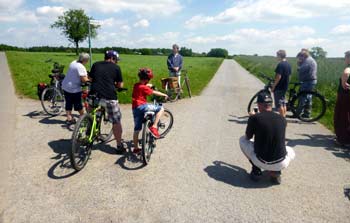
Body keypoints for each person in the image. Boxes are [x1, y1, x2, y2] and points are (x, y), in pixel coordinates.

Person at [239, 91, 295, 184]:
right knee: (290, 150)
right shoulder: (282, 119)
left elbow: (248, 137)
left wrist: (252, 118)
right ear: (271, 104)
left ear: (259, 105)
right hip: (281, 162)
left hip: (260, 160)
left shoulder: (255, 118)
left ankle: (256, 170)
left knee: (242, 140)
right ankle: (275, 173)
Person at [89, 50, 125, 154]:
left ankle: (87, 130)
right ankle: (119, 145)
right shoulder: (116, 68)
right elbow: (120, 85)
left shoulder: (95, 64)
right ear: (113, 58)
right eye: (116, 60)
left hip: (93, 96)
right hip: (109, 97)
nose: (117, 62)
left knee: (90, 115)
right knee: (116, 121)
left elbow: (90, 79)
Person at [132, 68, 168, 154]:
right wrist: (164, 94)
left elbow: (144, 87)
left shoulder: (136, 85)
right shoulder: (144, 87)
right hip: (143, 106)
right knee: (160, 108)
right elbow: (153, 92)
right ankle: (154, 126)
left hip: (135, 108)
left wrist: (147, 85)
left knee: (137, 129)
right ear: (147, 79)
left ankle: (136, 148)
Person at [61, 53, 90, 124]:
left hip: (65, 85)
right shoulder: (81, 67)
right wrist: (91, 80)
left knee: (68, 102)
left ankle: (69, 118)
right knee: (78, 104)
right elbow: (84, 79)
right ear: (85, 60)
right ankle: (83, 117)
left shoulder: (73, 62)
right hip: (73, 88)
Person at [334, 51, 350, 146]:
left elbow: (346, 73)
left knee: (342, 118)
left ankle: (343, 140)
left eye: (346, 57)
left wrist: (344, 83)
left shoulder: (348, 68)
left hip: (345, 96)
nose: (345, 59)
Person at [296, 49, 318, 118]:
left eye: (300, 57)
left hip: (308, 81)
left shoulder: (308, 61)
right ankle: (307, 113)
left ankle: (298, 113)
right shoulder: (309, 60)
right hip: (310, 81)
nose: (299, 59)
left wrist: (299, 64)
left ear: (303, 56)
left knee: (303, 97)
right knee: (308, 98)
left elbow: (301, 70)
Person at [271, 50, 291, 116]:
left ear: (280, 56)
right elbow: (289, 76)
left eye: (277, 55)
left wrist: (273, 86)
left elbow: (278, 77)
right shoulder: (288, 64)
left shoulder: (280, 64)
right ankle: (284, 116)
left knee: (279, 104)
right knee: (283, 103)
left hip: (279, 87)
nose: (276, 57)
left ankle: (282, 118)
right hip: (285, 86)